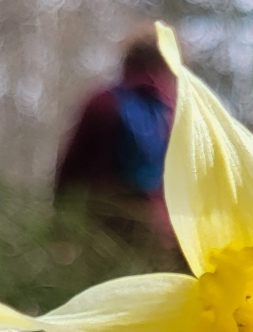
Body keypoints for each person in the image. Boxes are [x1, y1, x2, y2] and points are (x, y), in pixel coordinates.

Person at [55, 30, 178, 252]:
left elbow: (70, 168)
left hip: (103, 224)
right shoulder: (176, 113)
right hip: (155, 225)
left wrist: (59, 222)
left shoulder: (102, 102)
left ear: (128, 61)